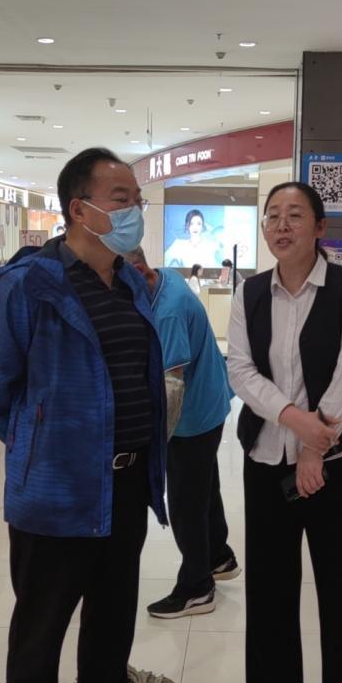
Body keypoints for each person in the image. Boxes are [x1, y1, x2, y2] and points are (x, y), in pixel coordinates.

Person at [0, 147, 168, 683]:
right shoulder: (28, 286)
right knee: (38, 643)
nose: (135, 211)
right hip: (56, 495)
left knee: (110, 637)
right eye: (122, 199)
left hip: (125, 489)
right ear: (80, 210)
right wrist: (39, 445)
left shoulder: (128, 283)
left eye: (138, 200)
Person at [226, 182, 342, 683]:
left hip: (337, 463)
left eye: (295, 215)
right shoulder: (250, 293)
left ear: (320, 227)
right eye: (273, 216)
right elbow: (240, 370)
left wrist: (317, 446)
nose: (282, 226)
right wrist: (294, 420)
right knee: (269, 594)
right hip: (267, 459)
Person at [123, 247, 238, 619]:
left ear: (139, 270)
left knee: (186, 502)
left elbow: (172, 388)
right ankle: (218, 555)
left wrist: (156, 446)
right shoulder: (164, 277)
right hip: (211, 402)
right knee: (204, 486)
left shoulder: (168, 311)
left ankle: (196, 587)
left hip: (192, 416)